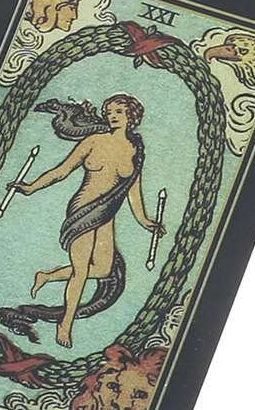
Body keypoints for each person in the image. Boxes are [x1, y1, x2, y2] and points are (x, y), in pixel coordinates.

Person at [9, 94, 163, 348]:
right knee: (81, 270)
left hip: (108, 212)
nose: (112, 116)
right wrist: (32, 187)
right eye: (109, 112)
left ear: (131, 116)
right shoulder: (93, 140)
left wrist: (145, 221)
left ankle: (47, 276)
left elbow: (133, 190)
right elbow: (62, 170)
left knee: (103, 270)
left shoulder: (136, 150)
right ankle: (65, 324)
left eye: (118, 112)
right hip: (83, 209)